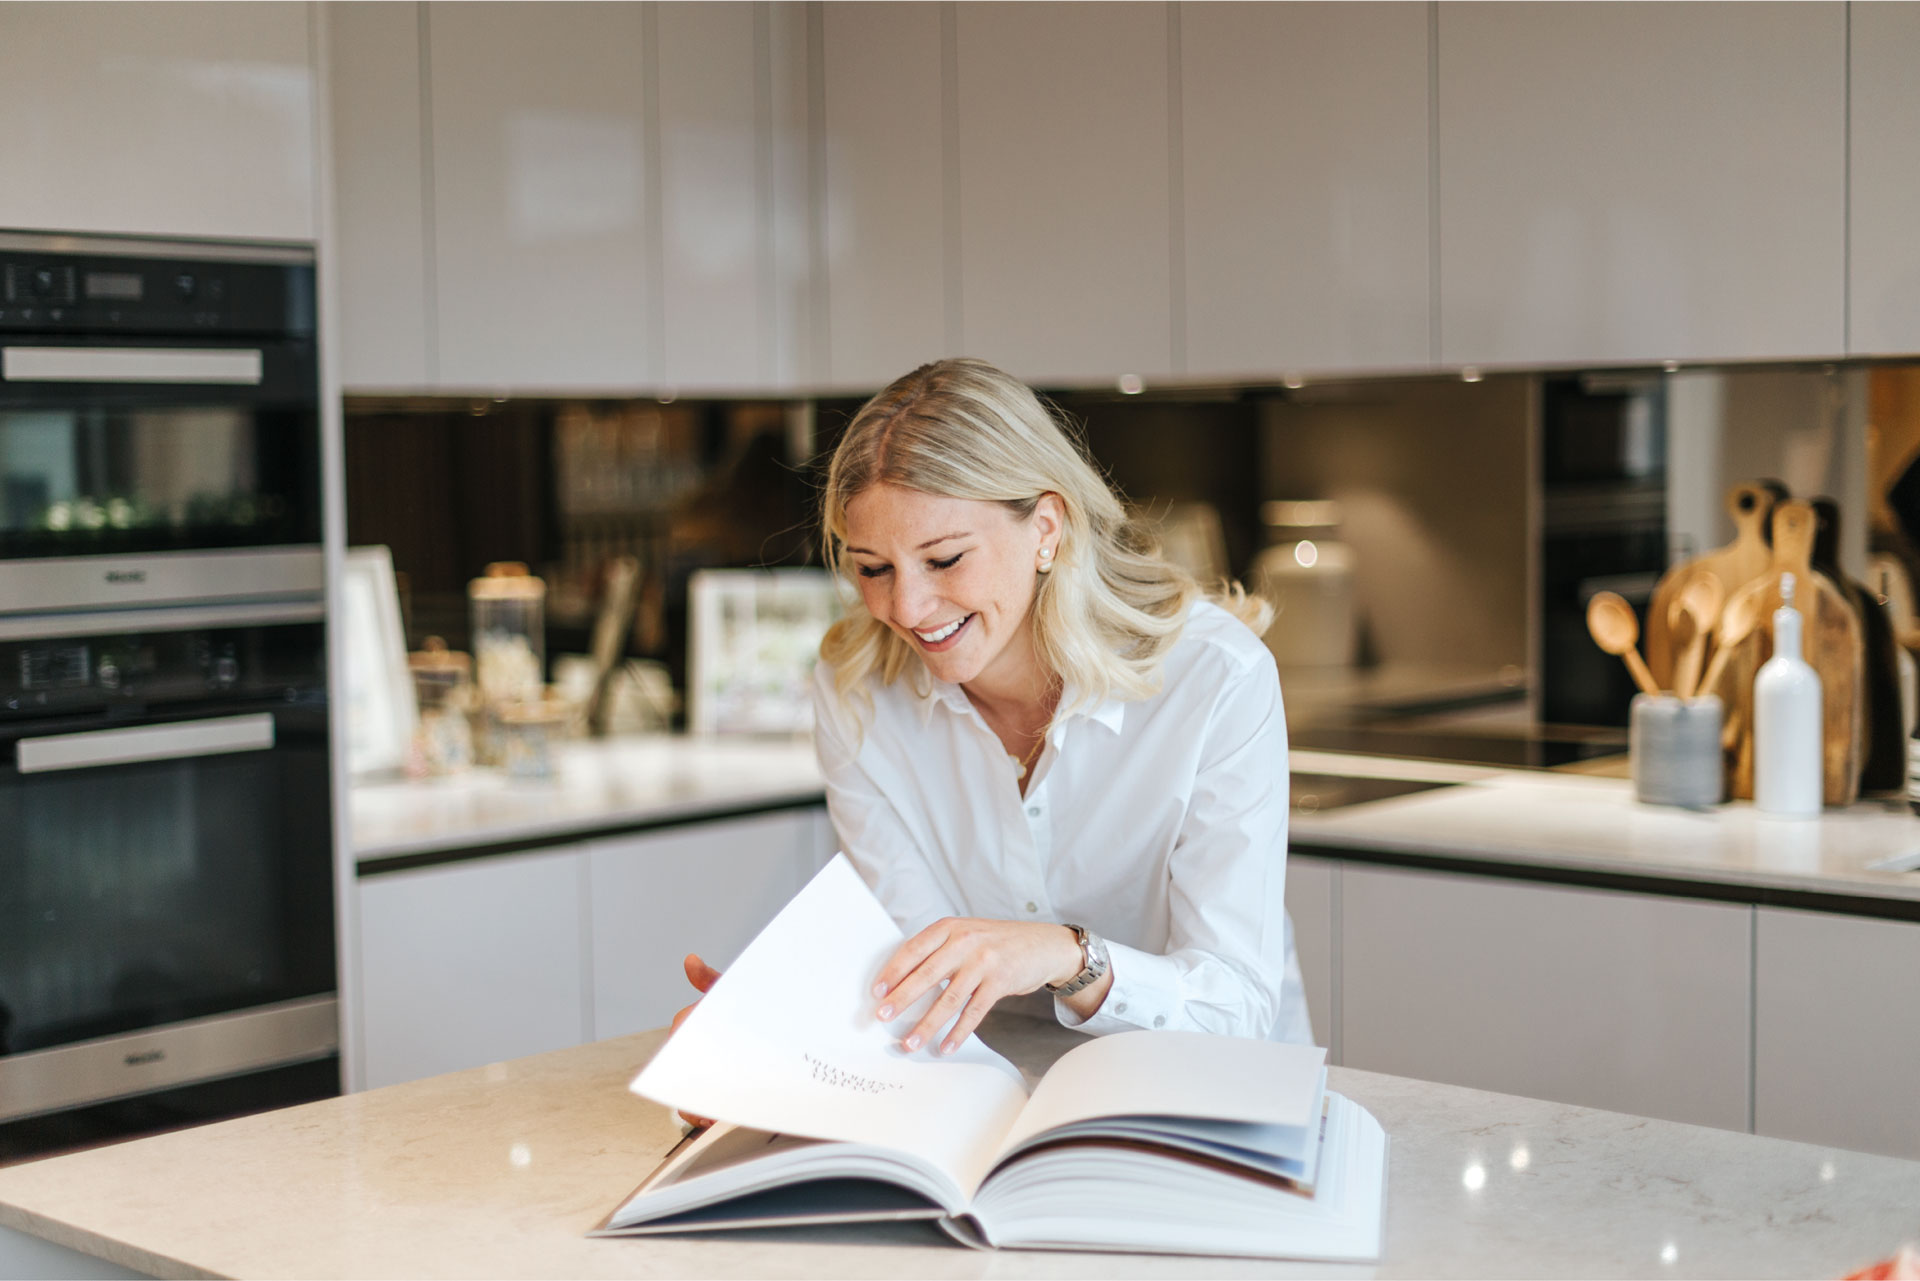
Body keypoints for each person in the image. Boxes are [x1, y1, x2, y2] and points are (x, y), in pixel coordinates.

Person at [677, 357, 1308, 1062]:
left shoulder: (1215, 678)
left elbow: (1236, 1007)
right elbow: (915, 970)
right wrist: (772, 1031)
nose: (906, 609)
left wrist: (1069, 956)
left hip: (1202, 1090)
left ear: (1045, 527)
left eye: (944, 559)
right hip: (990, 1084)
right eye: (873, 568)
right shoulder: (855, 693)